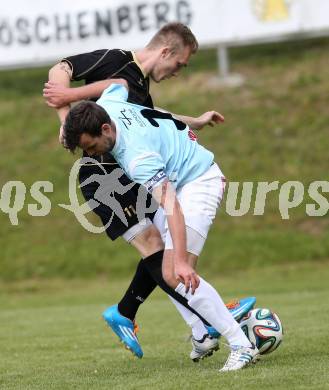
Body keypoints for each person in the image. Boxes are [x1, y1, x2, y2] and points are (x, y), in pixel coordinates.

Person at [44, 22, 256, 361]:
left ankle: (183, 319)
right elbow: (60, 70)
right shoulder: (116, 60)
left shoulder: (131, 90)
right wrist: (67, 115)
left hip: (137, 173)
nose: (178, 71)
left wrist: (192, 123)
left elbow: (149, 116)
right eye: (180, 64)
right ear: (165, 52)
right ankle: (205, 322)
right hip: (104, 177)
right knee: (161, 251)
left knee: (168, 253)